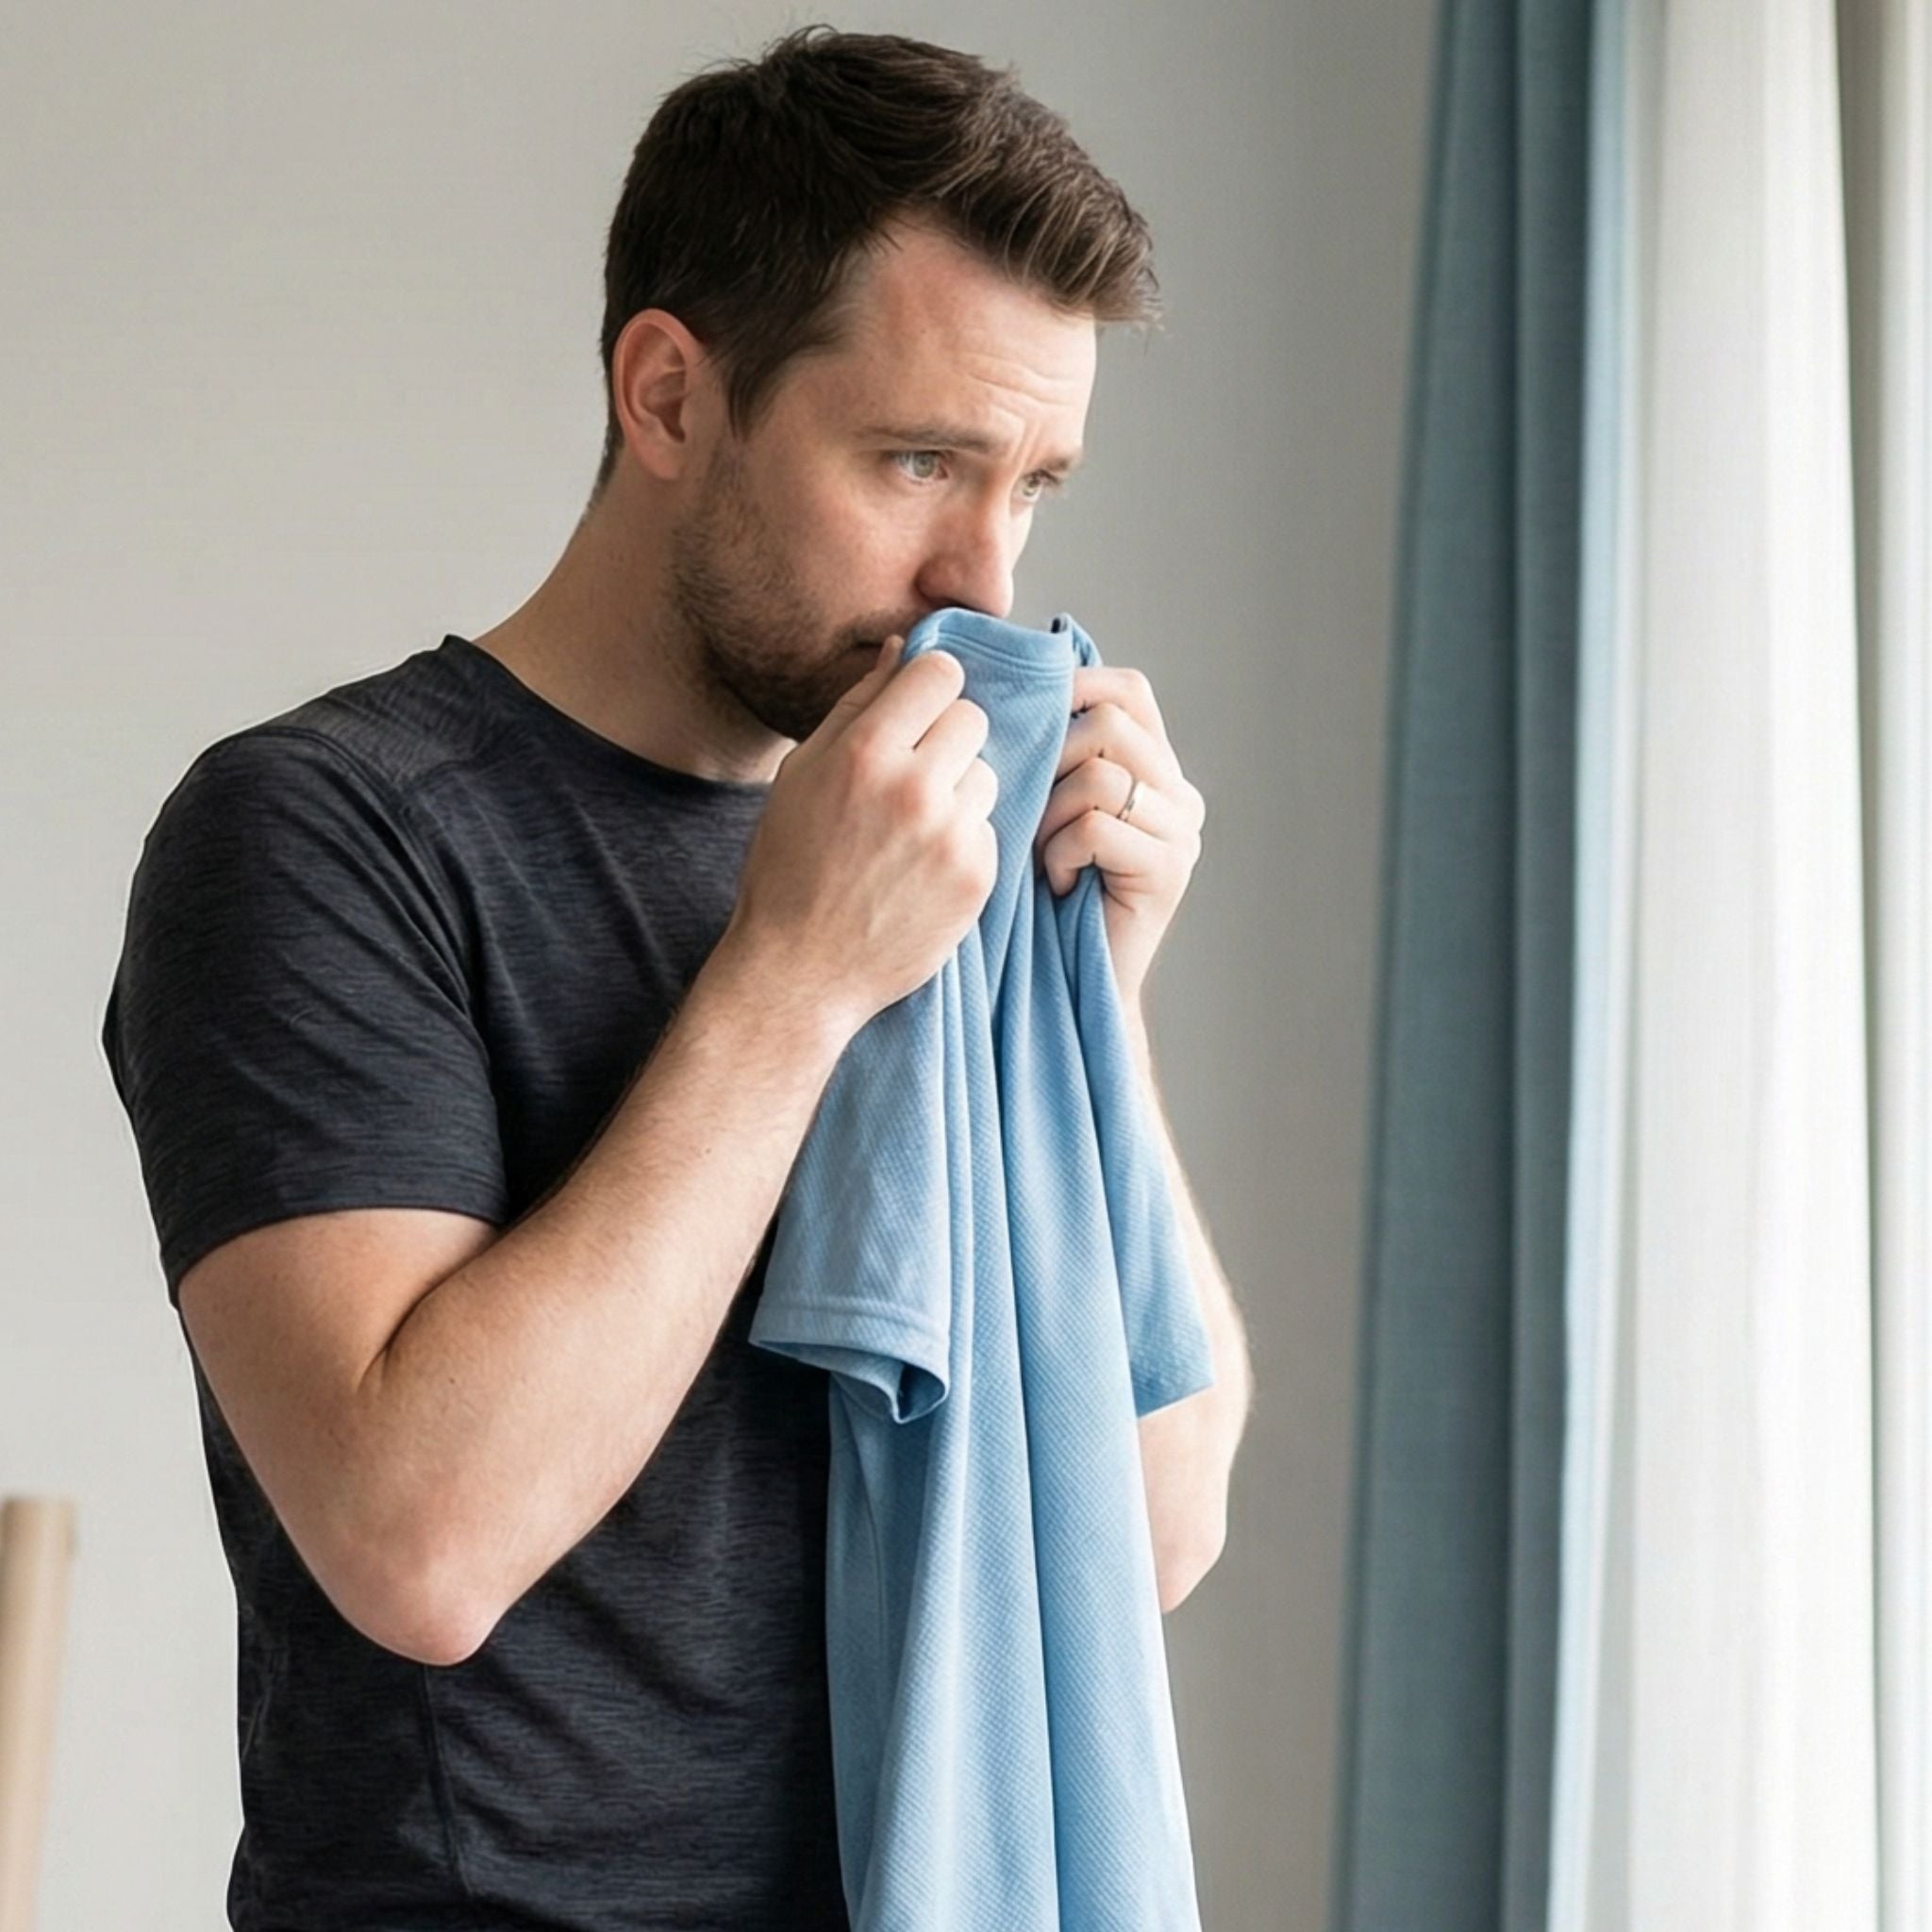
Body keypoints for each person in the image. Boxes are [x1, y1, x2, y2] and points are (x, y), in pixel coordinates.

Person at [100, 24, 1252, 1931]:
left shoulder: (932, 859)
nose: (985, 574)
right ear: (665, 394)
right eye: (915, 460)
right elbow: (420, 1539)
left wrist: (1093, 1001)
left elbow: (1147, 1531)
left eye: (1032, 482)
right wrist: (792, 978)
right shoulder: (321, 833)